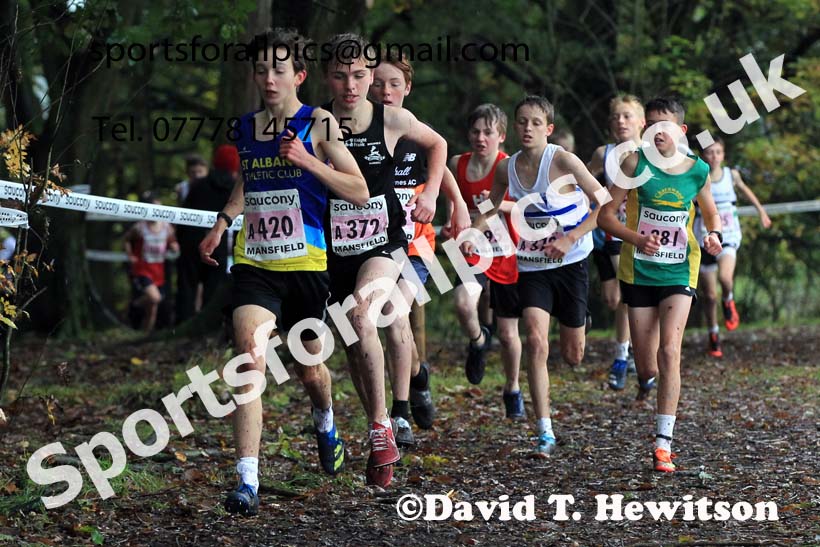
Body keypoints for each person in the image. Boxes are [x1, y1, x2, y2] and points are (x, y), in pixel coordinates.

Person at [198, 28, 368, 515]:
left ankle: (325, 419)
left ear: (298, 75)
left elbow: (357, 189)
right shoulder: (248, 127)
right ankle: (247, 482)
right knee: (249, 358)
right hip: (256, 265)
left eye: (278, 69)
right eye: (260, 69)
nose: (268, 78)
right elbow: (246, 184)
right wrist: (222, 223)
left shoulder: (319, 123)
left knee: (309, 369)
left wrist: (307, 162)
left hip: (308, 268)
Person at [321, 33, 448, 487]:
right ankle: (379, 426)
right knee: (355, 342)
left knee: (363, 315)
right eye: (340, 76)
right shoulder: (315, 125)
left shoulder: (393, 119)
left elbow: (438, 146)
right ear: (327, 78)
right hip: (332, 250)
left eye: (359, 75)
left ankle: (382, 428)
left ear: (371, 75)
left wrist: (431, 193)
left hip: (384, 243)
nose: (350, 86)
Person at [473, 96, 604, 455]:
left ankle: (580, 320)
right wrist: (473, 230)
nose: (527, 129)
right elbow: (491, 204)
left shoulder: (562, 159)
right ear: (514, 128)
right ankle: (544, 431)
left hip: (573, 258)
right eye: (521, 122)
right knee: (535, 339)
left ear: (548, 129)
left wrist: (570, 237)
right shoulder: (506, 168)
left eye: (535, 123)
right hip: (532, 265)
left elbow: (603, 204)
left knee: (574, 355)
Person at [598, 97, 723, 473]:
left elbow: (710, 211)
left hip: (679, 270)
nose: (656, 132)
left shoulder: (697, 170)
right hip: (638, 271)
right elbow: (605, 217)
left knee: (670, 352)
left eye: (663, 125)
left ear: (681, 131)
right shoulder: (633, 164)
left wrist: (714, 234)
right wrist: (636, 239)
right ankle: (647, 380)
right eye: (650, 124)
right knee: (647, 364)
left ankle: (663, 445)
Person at [369, 51, 471, 444]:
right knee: (384, 322)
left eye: (394, 83)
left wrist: (454, 203)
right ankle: (418, 374)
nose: (385, 91)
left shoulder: (413, 131)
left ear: (407, 88)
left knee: (395, 314)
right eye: (378, 83)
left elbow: (439, 165)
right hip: (372, 244)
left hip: (415, 245)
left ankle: (400, 414)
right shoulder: (358, 130)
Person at [448, 103, 526, 419]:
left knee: (509, 334)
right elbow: (452, 203)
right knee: (464, 304)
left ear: (501, 137)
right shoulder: (457, 164)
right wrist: (456, 221)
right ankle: (479, 341)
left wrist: (495, 206)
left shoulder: (511, 166)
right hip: (473, 248)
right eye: (475, 131)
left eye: (488, 132)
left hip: (507, 251)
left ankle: (513, 388)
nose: (481, 138)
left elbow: (525, 208)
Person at [586, 95, 646, 389]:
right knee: (614, 299)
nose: (620, 122)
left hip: (642, 235)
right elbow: (577, 178)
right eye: (615, 117)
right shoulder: (603, 153)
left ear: (642, 122)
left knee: (626, 295)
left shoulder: (653, 153)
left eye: (627, 116)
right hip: (609, 233)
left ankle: (623, 356)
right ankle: (632, 351)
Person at [696, 136, 771, 357]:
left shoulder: (731, 175)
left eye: (718, 152)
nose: (714, 156)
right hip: (704, 238)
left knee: (725, 279)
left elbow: (747, 191)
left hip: (728, 236)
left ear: (723, 154)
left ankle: (728, 300)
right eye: (709, 152)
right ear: (703, 155)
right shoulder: (698, 176)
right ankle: (714, 335)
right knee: (709, 296)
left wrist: (761, 212)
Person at [175, 145, 237, 323]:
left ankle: (182, 323)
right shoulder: (235, 191)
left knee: (187, 287)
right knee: (214, 286)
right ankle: (210, 322)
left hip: (190, 244)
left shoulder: (198, 186)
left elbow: (183, 216)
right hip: (219, 244)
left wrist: (181, 240)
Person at [124, 192, 179, 332]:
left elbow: (172, 241)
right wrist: (130, 255)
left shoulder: (167, 227)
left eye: (160, 209)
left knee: (153, 306)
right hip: (142, 268)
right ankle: (135, 305)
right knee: (155, 298)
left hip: (158, 268)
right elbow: (126, 240)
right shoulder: (140, 227)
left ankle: (145, 334)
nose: (157, 212)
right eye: (155, 209)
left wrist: (174, 246)